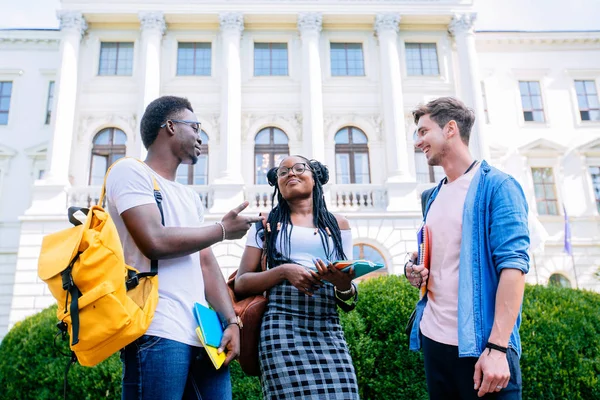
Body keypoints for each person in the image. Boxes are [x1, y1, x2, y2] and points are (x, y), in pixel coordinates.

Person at [105, 96, 261, 400]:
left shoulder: (189, 198)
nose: (200, 137)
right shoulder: (130, 172)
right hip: (157, 330)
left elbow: (206, 265)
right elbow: (154, 240)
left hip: (205, 337)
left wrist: (232, 321)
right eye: (196, 127)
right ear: (171, 126)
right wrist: (221, 230)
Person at [405, 97, 530, 399]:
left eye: (423, 132)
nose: (417, 142)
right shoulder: (430, 197)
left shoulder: (498, 187)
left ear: (450, 129)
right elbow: (442, 257)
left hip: (483, 349)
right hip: (435, 342)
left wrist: (498, 348)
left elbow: (513, 268)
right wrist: (414, 268)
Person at [234, 155, 360, 400]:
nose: (290, 174)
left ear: (315, 178)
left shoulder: (338, 225)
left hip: (328, 327)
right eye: (283, 172)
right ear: (278, 184)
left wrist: (344, 286)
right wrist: (283, 271)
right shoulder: (266, 225)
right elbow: (241, 283)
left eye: (299, 168)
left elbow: (347, 293)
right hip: (282, 329)